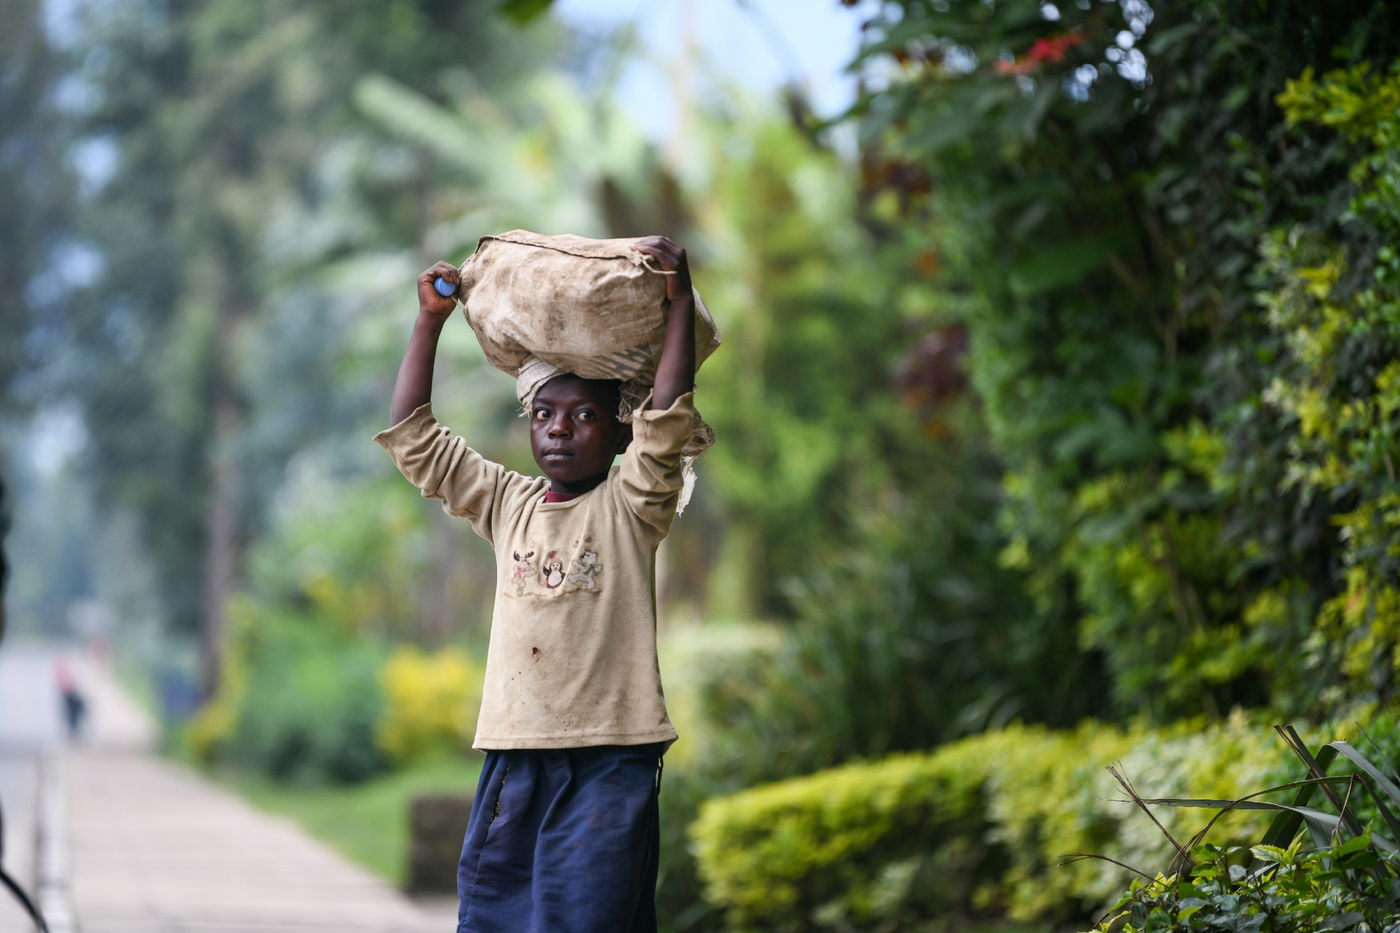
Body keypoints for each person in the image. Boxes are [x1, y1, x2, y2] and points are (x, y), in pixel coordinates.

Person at [374, 235, 698, 933]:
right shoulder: (506, 502)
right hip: (515, 758)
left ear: (619, 434)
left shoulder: (631, 505)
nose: (560, 430)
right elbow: (414, 437)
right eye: (546, 413)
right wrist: (429, 322)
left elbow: (667, 419)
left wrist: (677, 307)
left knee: (590, 920)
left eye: (585, 416)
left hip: (610, 763)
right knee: (494, 918)